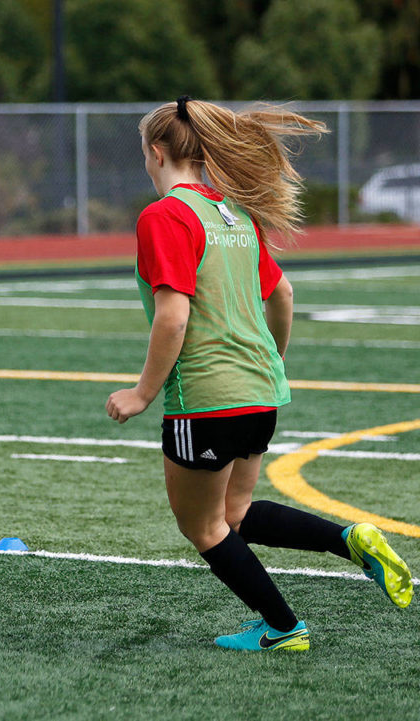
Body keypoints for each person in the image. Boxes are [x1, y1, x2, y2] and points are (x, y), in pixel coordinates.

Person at [106, 96, 413, 652]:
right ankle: (350, 538)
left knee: (203, 528)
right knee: (235, 513)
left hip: (204, 397)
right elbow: (283, 294)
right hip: (260, 391)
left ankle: (284, 626)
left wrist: (141, 392)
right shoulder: (235, 213)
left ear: (156, 153)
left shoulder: (164, 215)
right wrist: (272, 358)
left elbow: (173, 316)